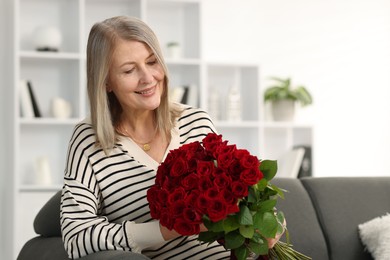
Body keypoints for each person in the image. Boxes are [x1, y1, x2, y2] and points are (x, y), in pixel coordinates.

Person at [60, 15, 283, 259]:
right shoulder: (89, 140)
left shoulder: (196, 121)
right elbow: (76, 238)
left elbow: (235, 211)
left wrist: (266, 227)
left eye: (152, 62)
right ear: (105, 82)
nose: (148, 78)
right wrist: (165, 230)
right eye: (129, 70)